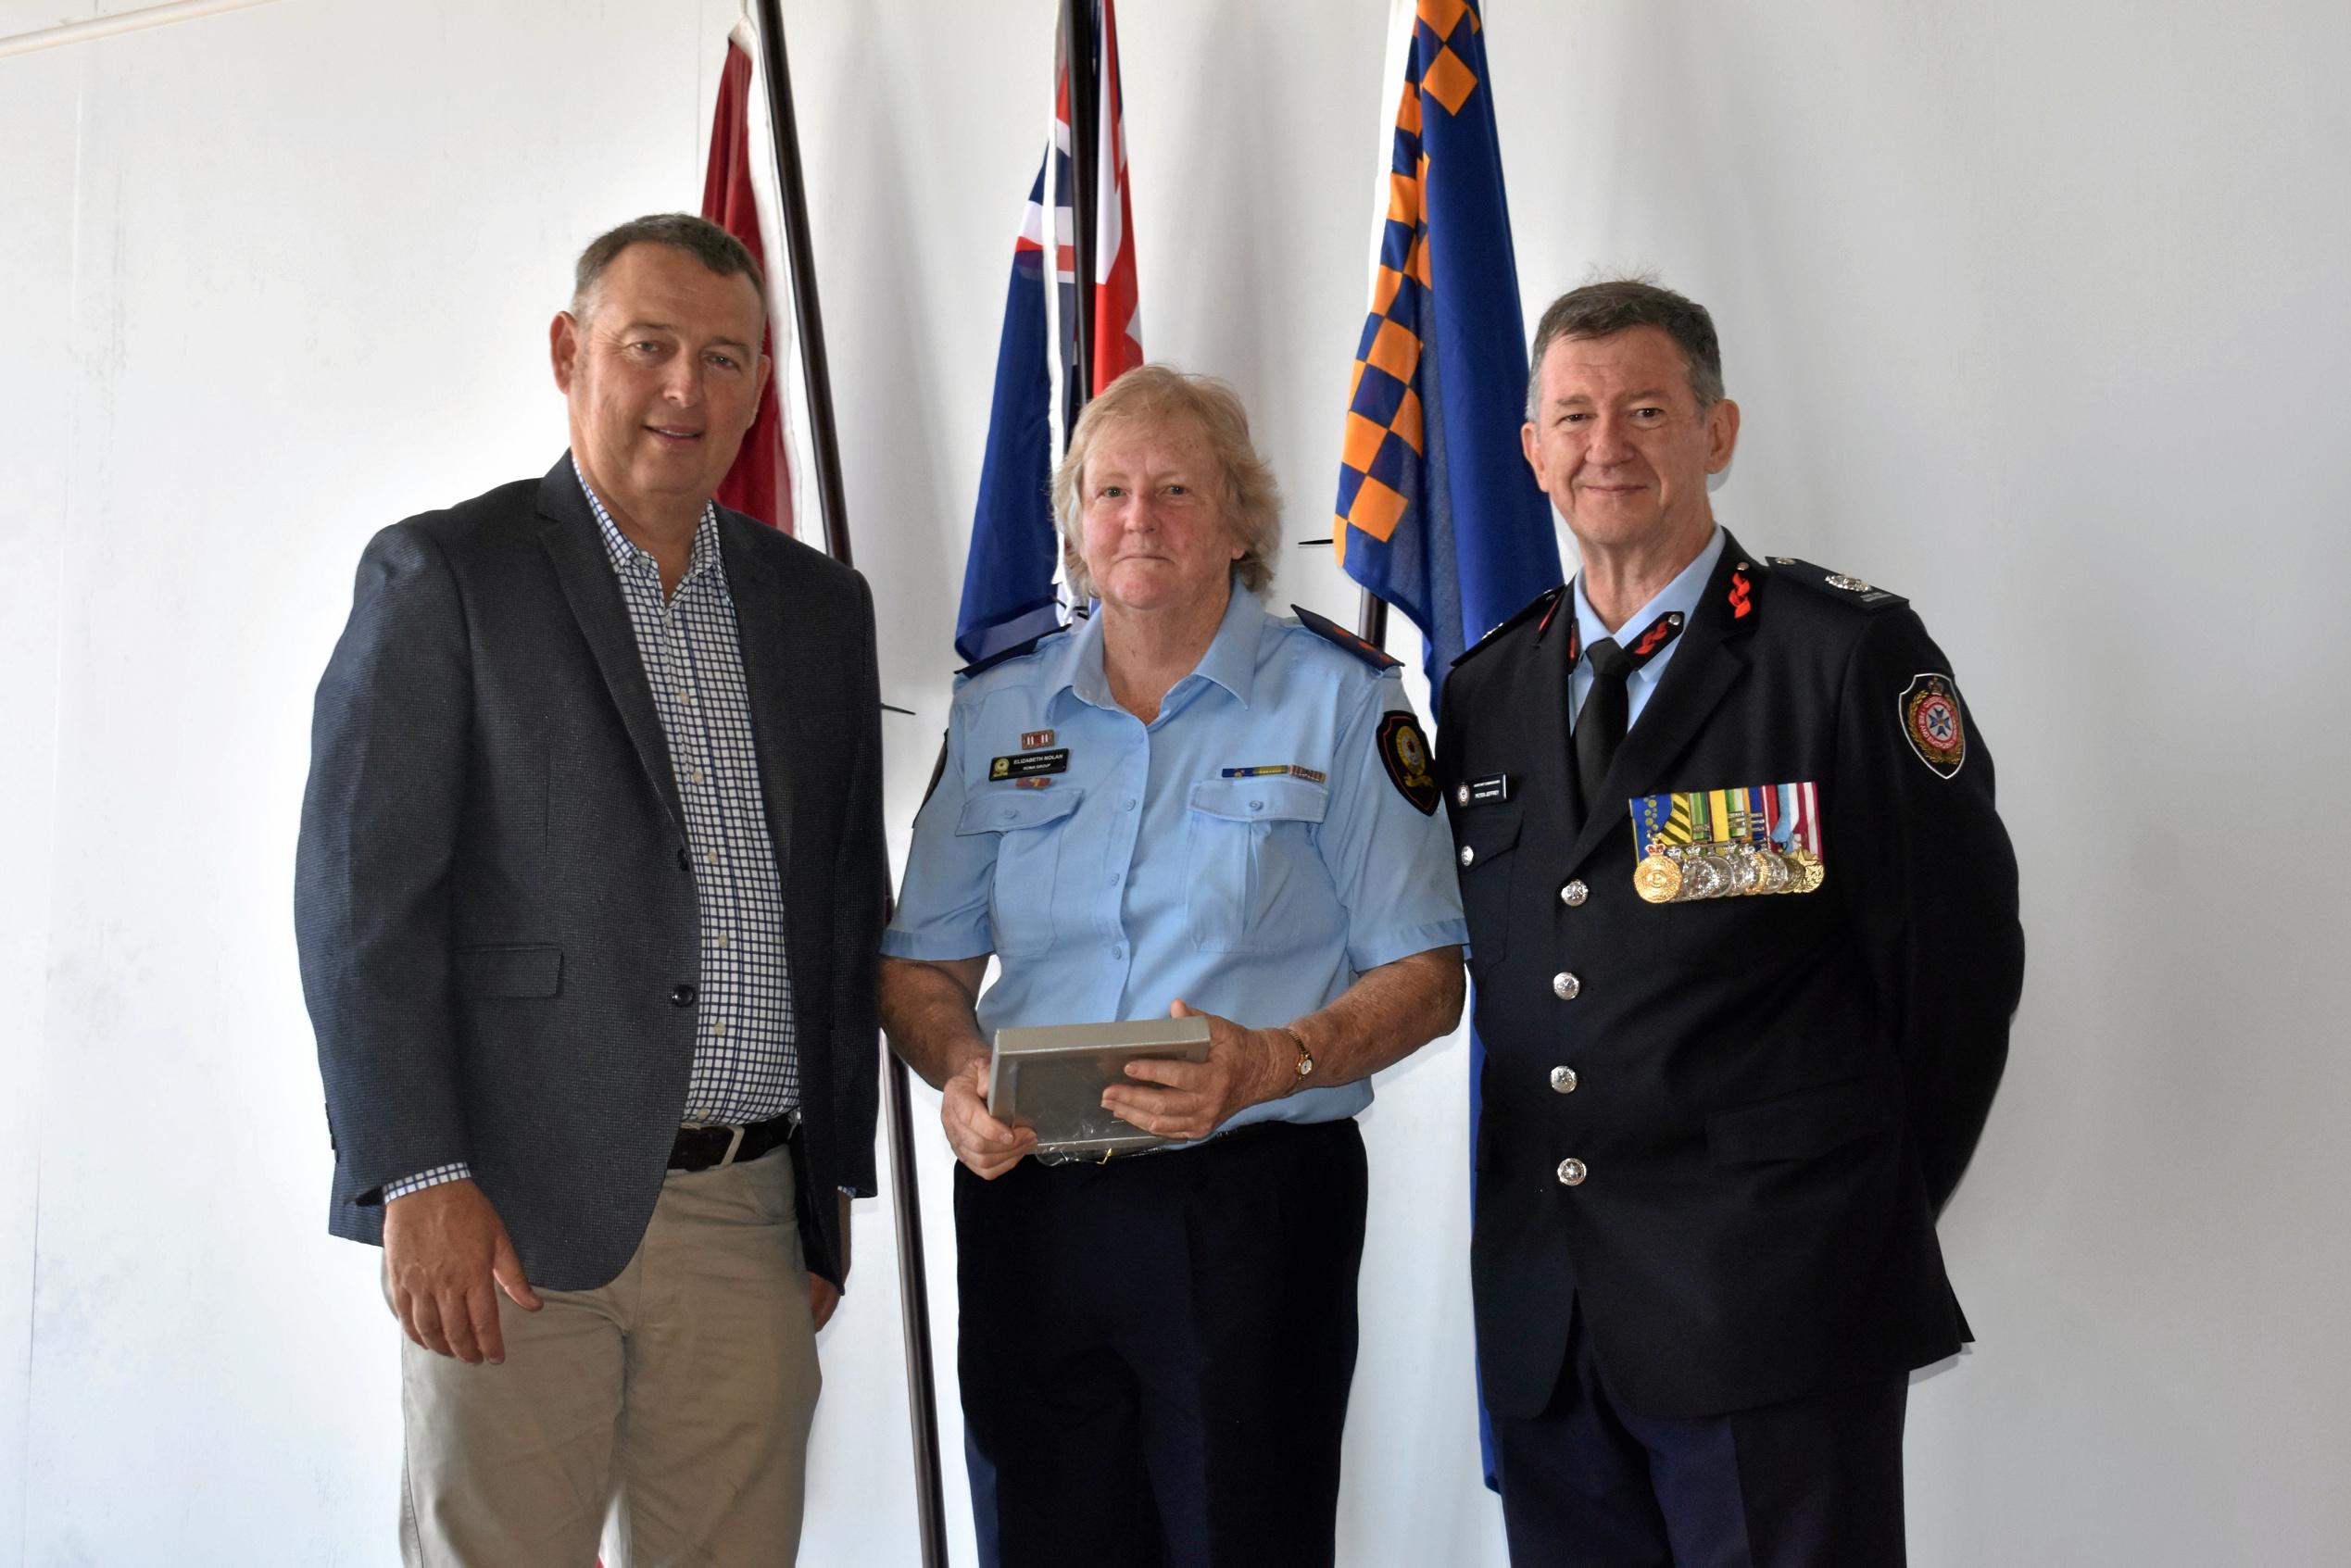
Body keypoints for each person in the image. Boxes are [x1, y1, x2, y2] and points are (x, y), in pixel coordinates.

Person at [295, 213, 886, 1566]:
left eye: (724, 357)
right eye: (650, 346)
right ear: (571, 353)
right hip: (507, 1218)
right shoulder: (446, 573)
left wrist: (821, 1206)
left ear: (757, 387)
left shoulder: (816, 608)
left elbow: (841, 901)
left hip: (749, 1215)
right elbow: (357, 901)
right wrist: (418, 1172)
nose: (687, 387)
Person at [1435, 279, 2024, 1566]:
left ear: (1717, 430)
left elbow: (1957, 971)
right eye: (1574, 415)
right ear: (1528, 451)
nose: (1608, 444)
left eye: (1646, 408)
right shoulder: (1482, 690)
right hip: (1550, 1313)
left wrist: (1842, 1207)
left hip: (1776, 1301)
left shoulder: (1841, 656)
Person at [879, 365, 1465, 1567]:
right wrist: (955, 1071)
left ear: (1243, 518)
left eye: (1175, 489)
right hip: (1030, 1199)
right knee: (1041, 1540)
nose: (1136, 518)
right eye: (1108, 491)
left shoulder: (1341, 703)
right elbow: (917, 968)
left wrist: (1275, 1059)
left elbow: (1426, 969)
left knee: (1241, 1536)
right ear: (1075, 525)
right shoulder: (998, 711)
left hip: (1247, 1201)